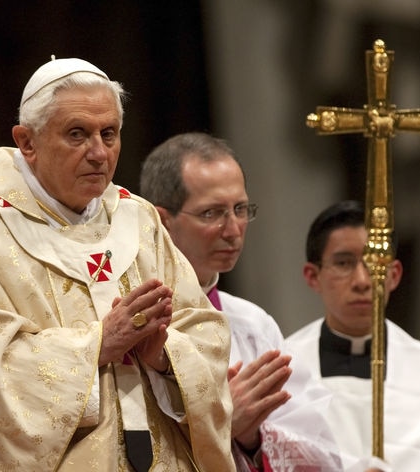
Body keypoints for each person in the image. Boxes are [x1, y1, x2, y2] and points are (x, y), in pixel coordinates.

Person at [0, 58, 236, 471]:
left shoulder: (141, 220)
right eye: (77, 134)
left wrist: (165, 356)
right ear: (27, 142)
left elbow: (205, 334)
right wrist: (97, 345)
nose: (98, 153)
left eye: (109, 134)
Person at [139, 132, 343, 471]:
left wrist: (253, 438)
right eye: (212, 213)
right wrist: (217, 426)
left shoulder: (252, 325)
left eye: (240, 209)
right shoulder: (134, 321)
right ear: (162, 221)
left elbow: (324, 456)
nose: (233, 229)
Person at [285, 199, 420, 471]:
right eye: (343, 263)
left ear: (394, 275)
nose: (362, 281)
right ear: (312, 276)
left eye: (375, 264)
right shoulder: (278, 374)